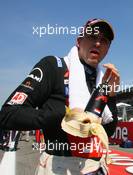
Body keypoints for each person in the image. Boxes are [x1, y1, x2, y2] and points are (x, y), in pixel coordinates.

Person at [0, 18, 120, 175]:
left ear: (107, 49)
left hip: (95, 166)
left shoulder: (103, 81)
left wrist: (111, 95)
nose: (97, 43)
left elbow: (109, 131)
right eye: (92, 37)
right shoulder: (53, 66)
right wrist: (63, 116)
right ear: (79, 41)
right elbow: (8, 114)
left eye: (103, 40)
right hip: (59, 167)